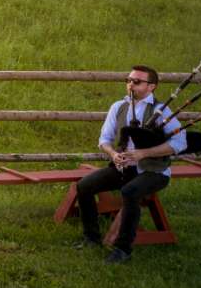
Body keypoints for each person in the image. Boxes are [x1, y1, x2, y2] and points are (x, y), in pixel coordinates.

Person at [74, 65, 186, 264]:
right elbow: (104, 139)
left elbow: (180, 143)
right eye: (128, 80)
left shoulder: (162, 110)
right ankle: (91, 238)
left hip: (154, 170)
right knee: (84, 186)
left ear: (152, 86)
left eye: (136, 81)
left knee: (130, 192)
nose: (130, 85)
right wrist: (113, 154)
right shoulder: (118, 107)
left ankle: (123, 249)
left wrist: (143, 153)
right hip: (124, 167)